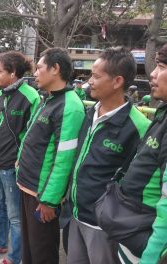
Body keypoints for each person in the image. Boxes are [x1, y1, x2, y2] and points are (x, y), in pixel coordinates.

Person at [68, 47, 151, 264]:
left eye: (96, 76)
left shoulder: (139, 126)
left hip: (104, 225)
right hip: (76, 214)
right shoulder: (90, 113)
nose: (89, 82)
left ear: (117, 81)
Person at [16, 48, 85, 263]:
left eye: (39, 68)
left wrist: (49, 200)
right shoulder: (49, 99)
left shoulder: (70, 105)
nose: (35, 73)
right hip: (27, 185)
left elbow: (64, 159)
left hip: (42, 194)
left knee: (42, 252)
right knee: (29, 249)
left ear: (55, 69)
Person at [0, 51, 40, 264]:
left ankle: (15, 257)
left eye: (1, 71)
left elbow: (31, 135)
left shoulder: (30, 96)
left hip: (11, 166)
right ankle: (0, 243)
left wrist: (20, 161)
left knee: (15, 215)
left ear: (13, 73)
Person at [112, 43, 167, 264]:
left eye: (161, 66)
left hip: (148, 244)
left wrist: (151, 257)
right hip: (134, 231)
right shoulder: (163, 112)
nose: (152, 74)